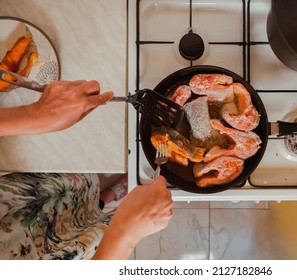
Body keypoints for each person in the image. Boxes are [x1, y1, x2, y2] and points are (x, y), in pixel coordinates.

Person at [0, 80, 173, 259]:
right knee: (84, 230)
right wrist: (125, 233)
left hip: (12, 207)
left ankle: (102, 198)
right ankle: (106, 199)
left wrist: (34, 114)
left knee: (68, 194)